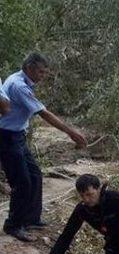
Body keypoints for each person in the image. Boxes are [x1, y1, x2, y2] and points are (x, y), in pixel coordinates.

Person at [0, 52, 87, 242]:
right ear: (29, 68)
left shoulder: (21, 80)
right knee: (21, 182)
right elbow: (44, 113)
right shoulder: (18, 85)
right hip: (6, 137)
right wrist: (71, 132)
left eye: (44, 72)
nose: (43, 76)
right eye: (40, 72)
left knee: (35, 175)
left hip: (17, 136)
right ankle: (13, 225)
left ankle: (31, 218)